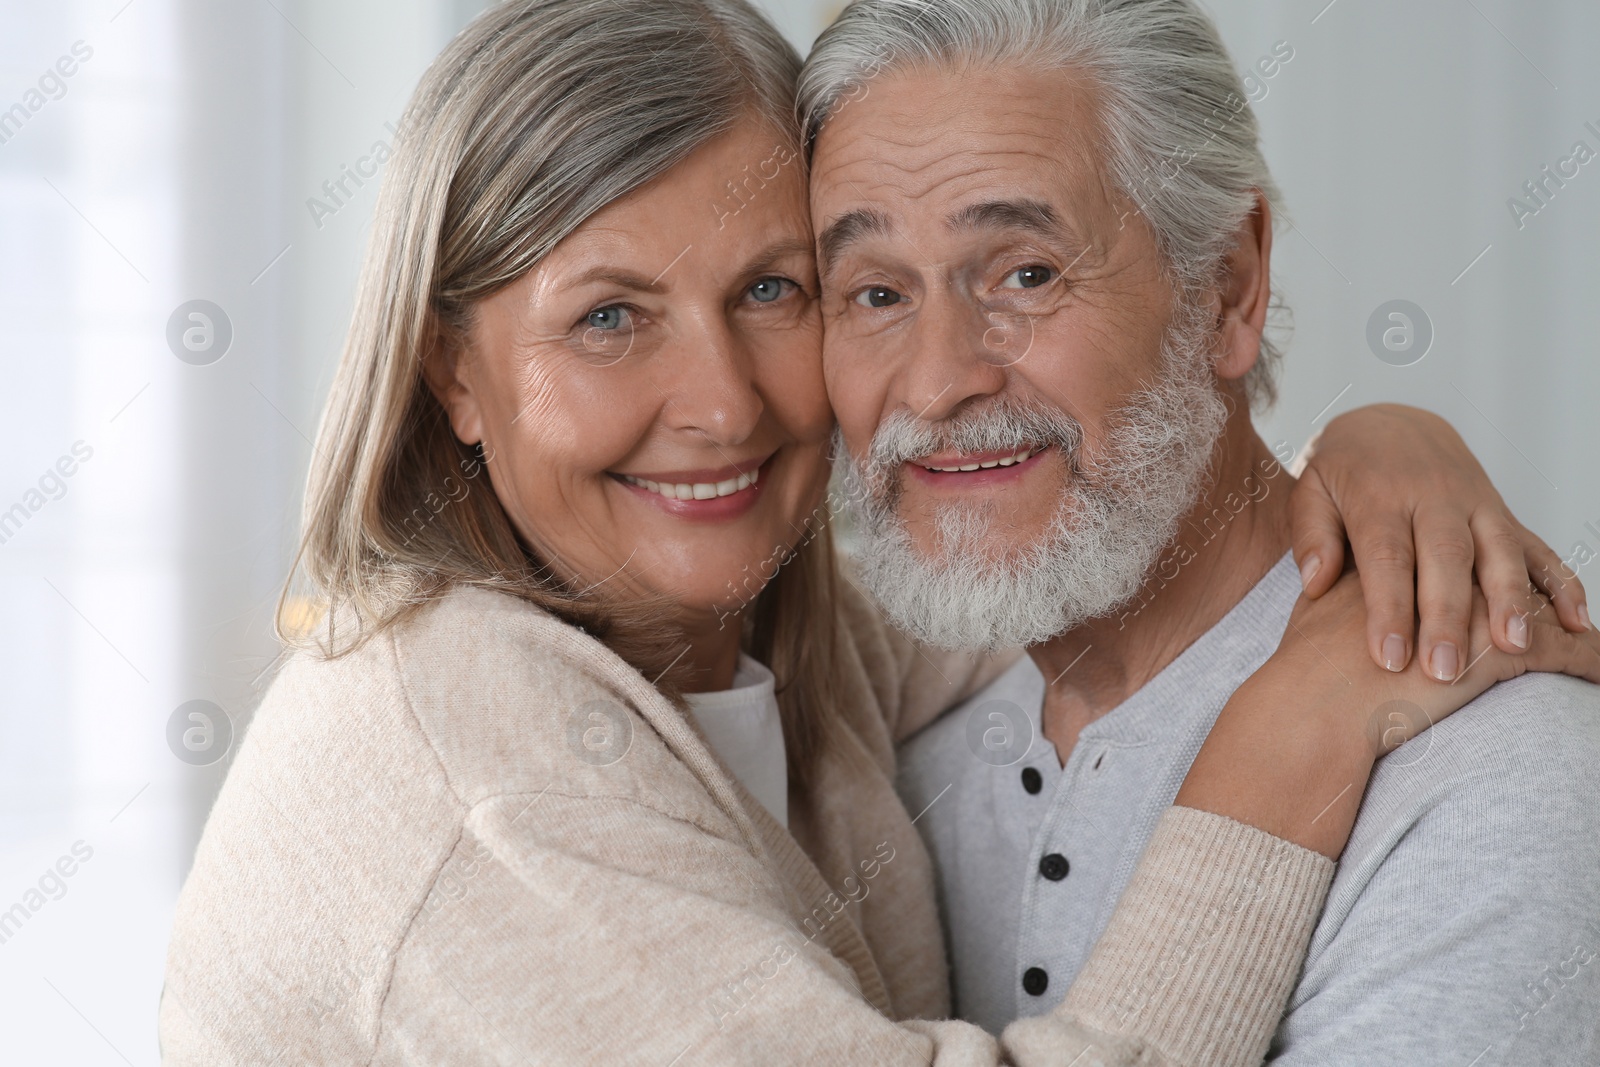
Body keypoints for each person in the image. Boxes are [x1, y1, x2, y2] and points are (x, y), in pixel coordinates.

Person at [157, 1, 1597, 1064]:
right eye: (609, 317)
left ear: (1231, 287)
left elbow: (1085, 556)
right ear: (449, 375)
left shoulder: (817, 637)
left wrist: (1376, 445)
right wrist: (1290, 731)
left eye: (778, 292)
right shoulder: (479, 774)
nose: (721, 403)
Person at [800, 1, 1600, 1063]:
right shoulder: (874, 769)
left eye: (1025, 272)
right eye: (874, 292)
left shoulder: (1502, 784)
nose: (939, 378)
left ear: (1227, 286)